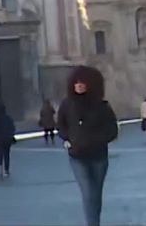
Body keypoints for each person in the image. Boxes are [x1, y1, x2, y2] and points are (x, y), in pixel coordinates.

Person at [59, 65, 120, 226]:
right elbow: (61, 125)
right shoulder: (67, 105)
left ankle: (95, 221)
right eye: (76, 82)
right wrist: (67, 139)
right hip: (77, 156)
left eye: (83, 82)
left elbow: (112, 130)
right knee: (88, 192)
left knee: (96, 193)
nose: (79, 85)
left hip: (98, 156)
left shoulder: (102, 106)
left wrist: (98, 140)